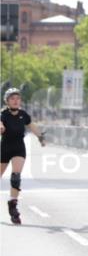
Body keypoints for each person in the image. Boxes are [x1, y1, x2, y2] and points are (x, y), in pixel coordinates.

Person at [1, 88, 46, 225]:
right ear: (7, 101)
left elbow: (32, 126)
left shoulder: (23, 114)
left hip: (19, 148)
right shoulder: (3, 114)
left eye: (18, 98)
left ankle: (12, 205)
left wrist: (40, 137)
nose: (16, 101)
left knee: (16, 177)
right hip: (4, 148)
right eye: (12, 98)